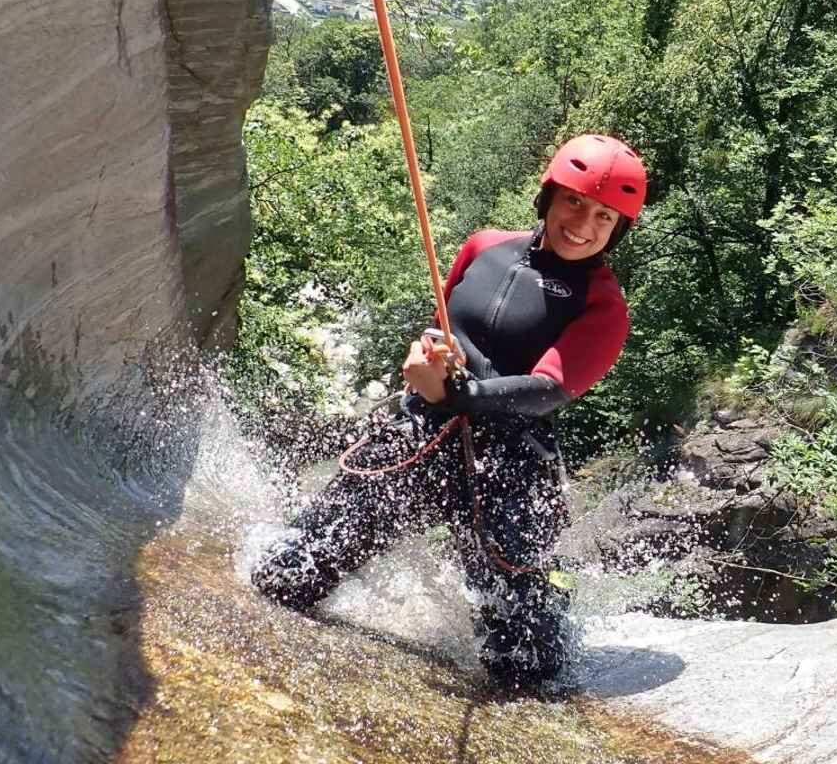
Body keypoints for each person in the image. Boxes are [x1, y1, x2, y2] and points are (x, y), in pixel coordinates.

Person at [251, 134, 647, 692]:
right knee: (291, 572)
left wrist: (458, 396)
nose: (584, 223)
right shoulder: (484, 246)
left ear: (618, 230)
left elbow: (547, 388)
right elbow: (445, 323)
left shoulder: (603, 306)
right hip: (421, 433)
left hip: (507, 468)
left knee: (524, 666)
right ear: (549, 196)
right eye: (575, 201)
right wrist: (426, 354)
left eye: (605, 217)